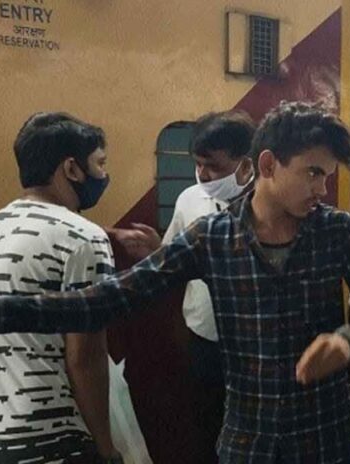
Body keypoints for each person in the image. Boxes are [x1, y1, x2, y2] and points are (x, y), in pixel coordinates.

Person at [0, 101, 350, 463]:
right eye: (313, 172)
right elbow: (111, 299)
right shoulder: (212, 238)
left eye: (327, 176)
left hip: (325, 437)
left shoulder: (336, 231)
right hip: (248, 442)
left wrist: (349, 341)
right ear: (268, 164)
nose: (322, 189)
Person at [0, 112, 121, 463]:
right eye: (99, 163)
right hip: (46, 440)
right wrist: (107, 449)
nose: (103, 175)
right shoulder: (83, 237)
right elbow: (85, 357)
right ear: (72, 169)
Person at [108, 110, 256, 462]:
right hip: (204, 337)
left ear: (246, 165)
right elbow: (175, 259)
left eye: (214, 167)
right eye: (198, 164)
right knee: (206, 424)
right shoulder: (190, 199)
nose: (203, 174)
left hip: (255, 344)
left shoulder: (269, 206)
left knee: (251, 431)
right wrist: (156, 251)